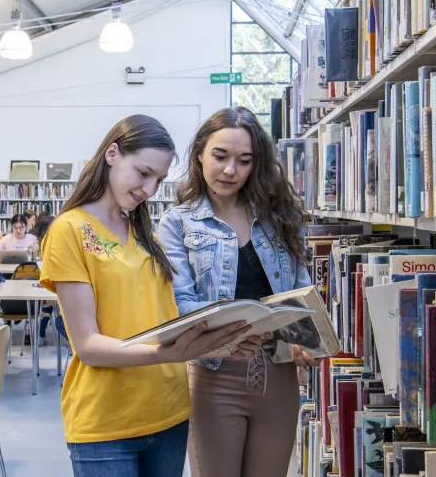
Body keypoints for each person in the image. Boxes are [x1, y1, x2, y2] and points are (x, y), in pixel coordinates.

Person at [39, 114, 263, 477]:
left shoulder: (146, 233)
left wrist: (218, 341)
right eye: (143, 173)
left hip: (169, 413)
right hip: (106, 421)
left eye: (158, 180)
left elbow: (168, 316)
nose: (149, 189)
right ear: (112, 154)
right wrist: (172, 353)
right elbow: (88, 345)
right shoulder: (70, 230)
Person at [158, 107, 318, 477]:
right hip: (213, 375)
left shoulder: (281, 216)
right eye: (220, 156)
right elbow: (182, 301)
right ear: (200, 154)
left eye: (244, 161)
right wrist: (226, 340)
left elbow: (300, 290)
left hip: (279, 374)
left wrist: (309, 339)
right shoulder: (177, 222)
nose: (230, 170)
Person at [28, 212, 56, 346]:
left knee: (49, 302)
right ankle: (39, 333)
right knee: (47, 302)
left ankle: (40, 333)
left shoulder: (56, 244)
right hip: (41, 282)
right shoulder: (36, 245)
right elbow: (35, 264)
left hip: (52, 282)